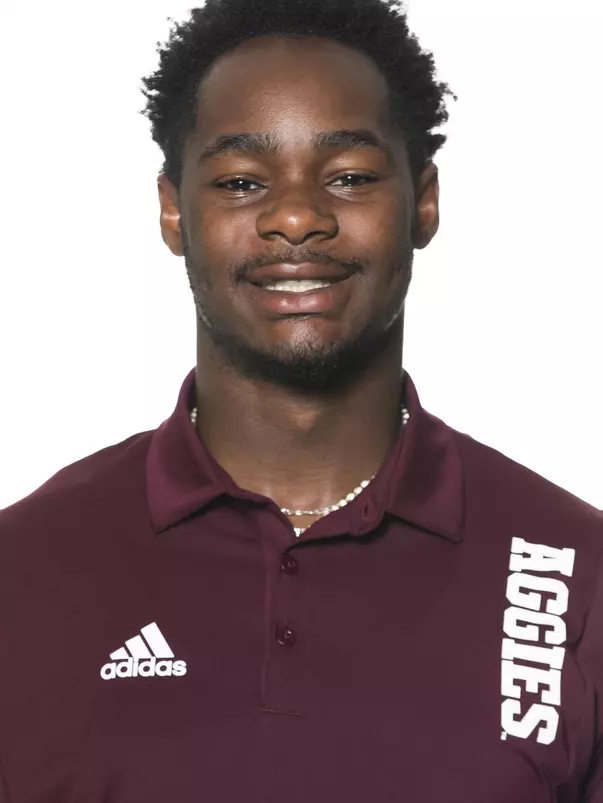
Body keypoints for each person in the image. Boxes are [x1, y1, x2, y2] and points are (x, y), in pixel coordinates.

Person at [0, 0, 601, 800]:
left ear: (422, 202)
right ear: (174, 210)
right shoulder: (25, 571)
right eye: (242, 181)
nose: (295, 217)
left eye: (348, 176)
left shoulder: (574, 576)